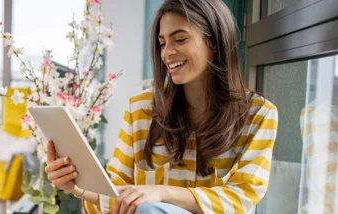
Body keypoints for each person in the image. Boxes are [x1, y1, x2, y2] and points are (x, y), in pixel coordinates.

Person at [45, 0, 279, 213]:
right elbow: (119, 194)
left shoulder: (258, 114)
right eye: (162, 43)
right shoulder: (141, 109)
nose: (167, 52)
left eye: (180, 39)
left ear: (214, 42)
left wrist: (161, 193)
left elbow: (242, 198)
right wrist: (79, 189)